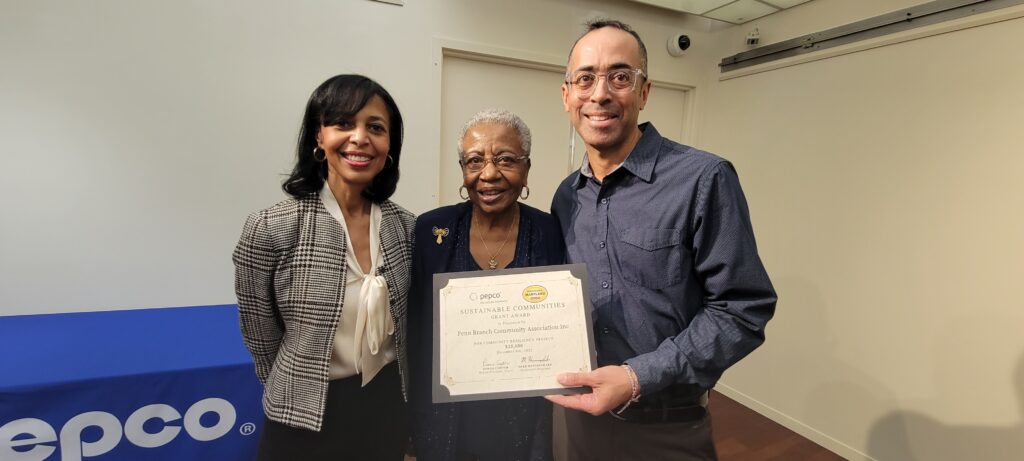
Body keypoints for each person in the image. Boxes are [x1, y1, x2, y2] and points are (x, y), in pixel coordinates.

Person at [547, 20, 778, 461]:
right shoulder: (565, 197)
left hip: (666, 428)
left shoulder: (704, 179)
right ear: (567, 95)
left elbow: (743, 309)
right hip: (579, 424)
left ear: (644, 91)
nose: (599, 94)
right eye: (585, 78)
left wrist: (637, 377)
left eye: (620, 76)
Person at [233, 74, 414, 460]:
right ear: (319, 136)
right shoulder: (271, 227)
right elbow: (261, 336)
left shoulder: (408, 228)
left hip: (385, 411)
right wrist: (293, 385)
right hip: (303, 416)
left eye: (376, 128)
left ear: (390, 145)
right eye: (344, 123)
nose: (360, 138)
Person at [408, 109, 564, 461]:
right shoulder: (431, 230)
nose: (489, 174)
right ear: (463, 170)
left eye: (506, 160)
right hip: (446, 415)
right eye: (474, 161)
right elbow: (415, 332)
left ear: (526, 169)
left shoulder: (550, 231)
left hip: (525, 414)